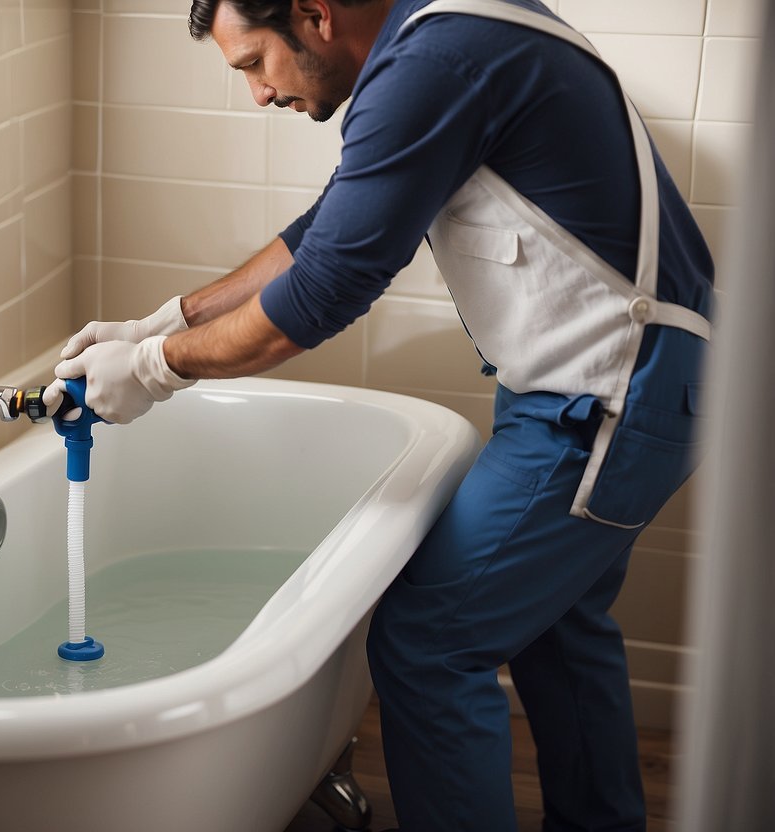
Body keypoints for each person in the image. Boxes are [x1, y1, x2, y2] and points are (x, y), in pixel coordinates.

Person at [44, 0, 714, 829]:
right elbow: (323, 229)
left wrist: (152, 369)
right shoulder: (439, 38)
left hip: (607, 399)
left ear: (313, 14)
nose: (257, 94)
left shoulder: (435, 63)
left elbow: (324, 291)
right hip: (608, 385)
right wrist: (167, 320)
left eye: (254, 63)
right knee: (557, 627)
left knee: (427, 643)